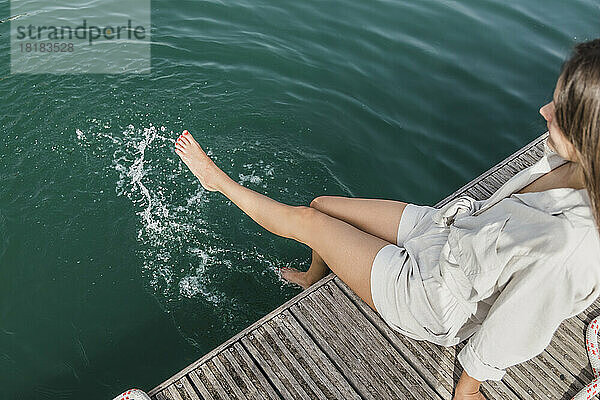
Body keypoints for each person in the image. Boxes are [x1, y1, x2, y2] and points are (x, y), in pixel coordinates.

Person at [174, 38, 600, 399]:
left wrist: (467, 388)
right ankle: (311, 276)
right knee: (324, 204)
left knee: (308, 220)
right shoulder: (572, 165)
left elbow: (514, 328)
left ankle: (218, 183)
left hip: (433, 297)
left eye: (561, 108)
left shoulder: (572, 246)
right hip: (447, 235)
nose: (544, 111)